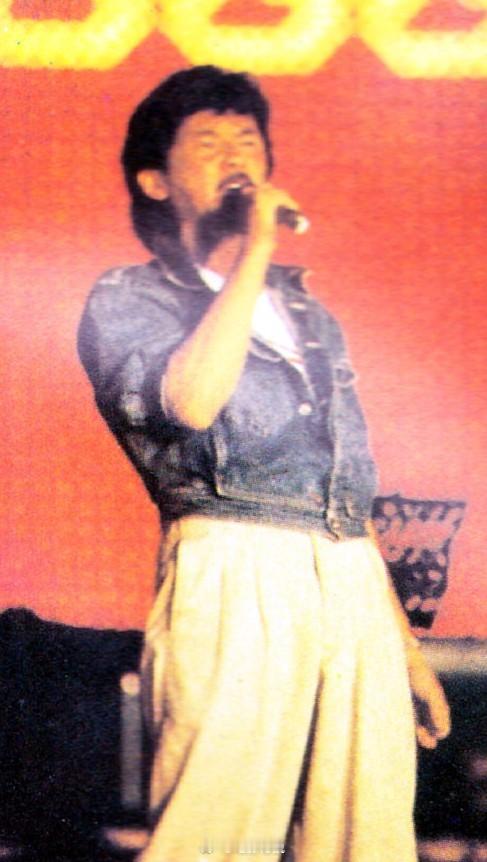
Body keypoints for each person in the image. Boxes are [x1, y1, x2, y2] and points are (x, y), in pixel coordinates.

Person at [78, 65, 451, 862]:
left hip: (349, 580)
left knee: (366, 840)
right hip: (232, 562)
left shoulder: (311, 315)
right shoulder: (128, 297)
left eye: (247, 140)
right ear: (153, 180)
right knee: (214, 839)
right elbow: (190, 401)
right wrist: (255, 254)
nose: (234, 155)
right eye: (207, 141)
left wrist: (403, 648)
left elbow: (343, 493)